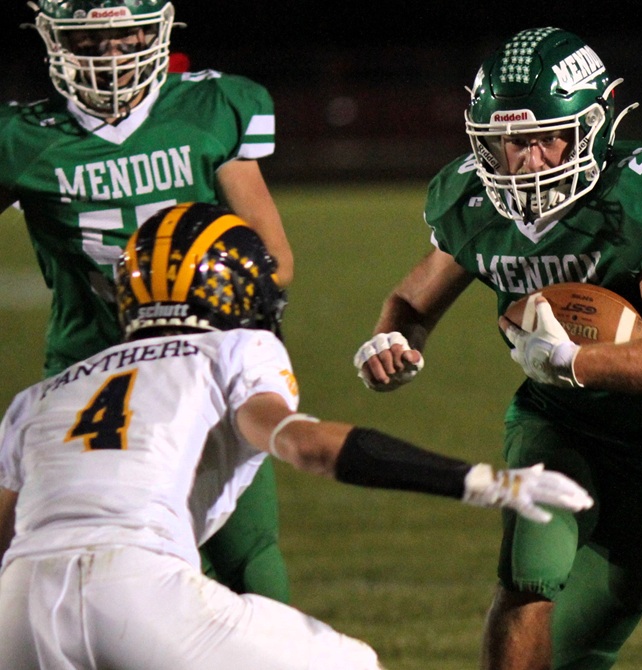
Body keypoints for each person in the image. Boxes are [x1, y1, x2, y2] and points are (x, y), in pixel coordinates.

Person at [0, 202, 594, 670]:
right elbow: (306, 445)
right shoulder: (232, 349)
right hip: (137, 588)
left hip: (18, 608)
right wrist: (480, 481)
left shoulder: (41, 396)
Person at [353, 27, 642, 670]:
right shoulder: (475, 202)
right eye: (510, 142)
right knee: (529, 573)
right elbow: (413, 300)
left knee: (585, 646)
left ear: (594, 126)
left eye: (547, 138)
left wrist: (571, 361)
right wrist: (390, 340)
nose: (529, 161)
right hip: (558, 419)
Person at [0, 0, 294, 602]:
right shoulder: (23, 137)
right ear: (55, 40)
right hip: (92, 372)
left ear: (156, 30)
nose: (110, 54)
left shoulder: (209, 107)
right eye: (90, 40)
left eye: (127, 34)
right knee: (120, 563)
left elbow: (274, 260)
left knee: (247, 552)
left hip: (201, 365)